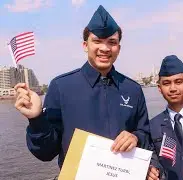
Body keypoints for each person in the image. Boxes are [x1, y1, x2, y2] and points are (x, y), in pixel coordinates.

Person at [14, 5, 150, 170]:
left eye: (112, 42)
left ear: (118, 49)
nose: (105, 48)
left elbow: (146, 135)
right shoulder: (61, 87)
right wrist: (36, 119)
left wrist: (136, 138)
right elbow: (46, 152)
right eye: (97, 41)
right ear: (85, 45)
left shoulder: (133, 90)